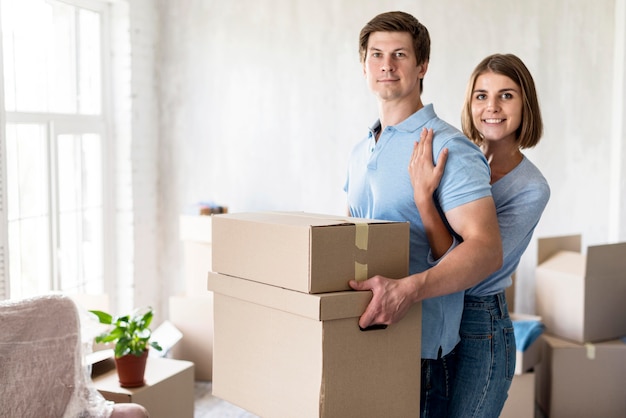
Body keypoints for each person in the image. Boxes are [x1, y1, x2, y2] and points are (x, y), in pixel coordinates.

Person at [344, 11, 503, 417]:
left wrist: (408, 290)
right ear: (364, 65)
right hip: (361, 339)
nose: (387, 65)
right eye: (376, 54)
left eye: (400, 54)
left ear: (422, 66)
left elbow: (486, 250)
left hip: (421, 356)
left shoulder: (449, 148)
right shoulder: (361, 151)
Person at [410, 53, 550, 417]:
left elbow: (474, 266)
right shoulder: (458, 161)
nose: (492, 107)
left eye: (506, 95)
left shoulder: (532, 188)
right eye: (481, 95)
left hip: (479, 325)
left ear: (525, 105)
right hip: (438, 314)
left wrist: (425, 200)